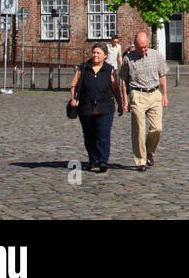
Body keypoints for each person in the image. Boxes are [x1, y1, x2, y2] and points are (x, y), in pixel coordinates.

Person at [69, 43, 123, 173]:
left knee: (103, 135)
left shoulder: (109, 70)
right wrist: (73, 99)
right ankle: (93, 159)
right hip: (86, 107)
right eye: (94, 52)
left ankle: (103, 160)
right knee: (89, 135)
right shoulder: (83, 68)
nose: (95, 55)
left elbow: (115, 89)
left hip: (105, 108)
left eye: (98, 53)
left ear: (105, 55)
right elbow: (74, 86)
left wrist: (120, 103)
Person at [119, 31, 168, 172]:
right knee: (139, 129)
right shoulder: (128, 59)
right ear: (135, 45)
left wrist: (164, 94)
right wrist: (125, 100)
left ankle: (149, 151)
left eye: (145, 46)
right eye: (140, 47)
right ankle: (140, 160)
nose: (143, 50)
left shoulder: (156, 55)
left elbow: (162, 75)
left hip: (154, 93)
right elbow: (123, 80)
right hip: (137, 94)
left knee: (157, 128)